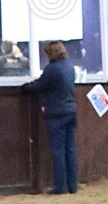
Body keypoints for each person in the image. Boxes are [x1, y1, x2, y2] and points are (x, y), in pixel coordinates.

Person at [22, 41, 78, 195]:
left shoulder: (52, 69)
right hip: (71, 110)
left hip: (56, 113)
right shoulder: (70, 67)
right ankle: (72, 185)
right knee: (70, 149)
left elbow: (39, 86)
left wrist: (25, 88)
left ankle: (61, 186)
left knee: (58, 150)